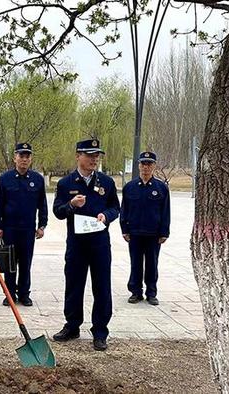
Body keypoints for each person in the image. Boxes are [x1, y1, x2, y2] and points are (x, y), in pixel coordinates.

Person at [51, 138, 120, 351]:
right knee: (74, 285)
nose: (94, 159)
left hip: (99, 243)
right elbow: (58, 212)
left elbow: (115, 208)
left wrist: (105, 216)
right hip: (77, 244)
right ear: (78, 156)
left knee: (102, 288)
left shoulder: (107, 183)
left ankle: (100, 331)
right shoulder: (66, 183)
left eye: (96, 155)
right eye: (89, 155)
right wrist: (71, 204)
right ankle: (72, 326)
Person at [0, 143, 48, 307]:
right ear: (14, 158)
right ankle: (9, 294)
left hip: (28, 229)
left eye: (27, 156)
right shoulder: (5, 178)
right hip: (9, 228)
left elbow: (42, 204)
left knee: (25, 263)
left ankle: (24, 294)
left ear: (31, 159)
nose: (24, 159)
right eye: (21, 156)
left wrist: (42, 225)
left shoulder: (37, 179)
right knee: (9, 263)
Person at [120, 151, 170, 306]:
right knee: (135, 263)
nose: (145, 167)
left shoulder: (161, 188)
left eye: (149, 164)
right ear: (139, 165)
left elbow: (166, 212)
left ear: (154, 166)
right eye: (143, 164)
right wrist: (124, 229)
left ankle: (151, 292)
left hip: (153, 234)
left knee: (152, 264)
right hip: (134, 233)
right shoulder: (130, 187)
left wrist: (164, 232)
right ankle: (135, 292)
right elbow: (124, 210)